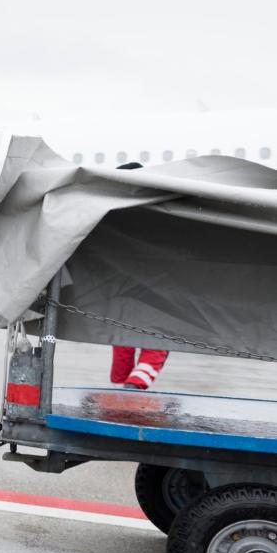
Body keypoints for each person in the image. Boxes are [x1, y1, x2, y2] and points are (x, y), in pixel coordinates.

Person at [105, 162, 170, 391]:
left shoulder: (111, 210)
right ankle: (132, 385)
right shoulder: (156, 210)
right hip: (153, 285)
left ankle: (124, 385)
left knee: (123, 336)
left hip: (120, 285)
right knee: (155, 336)